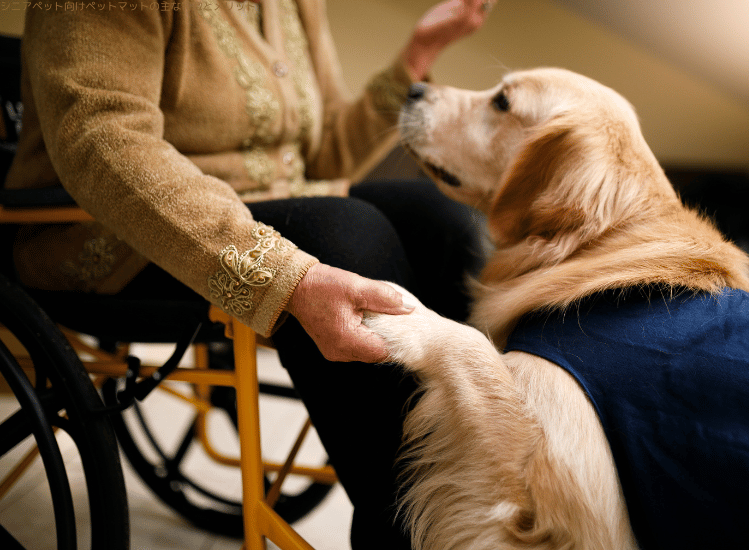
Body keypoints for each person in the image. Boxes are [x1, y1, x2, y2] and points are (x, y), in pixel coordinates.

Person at [5, 0, 495, 546]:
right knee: (346, 234)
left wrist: (418, 54)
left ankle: (483, 489)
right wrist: (284, 274)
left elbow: (325, 155)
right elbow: (100, 137)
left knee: (448, 223)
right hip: (110, 231)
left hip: (277, 204)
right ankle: (408, 530)